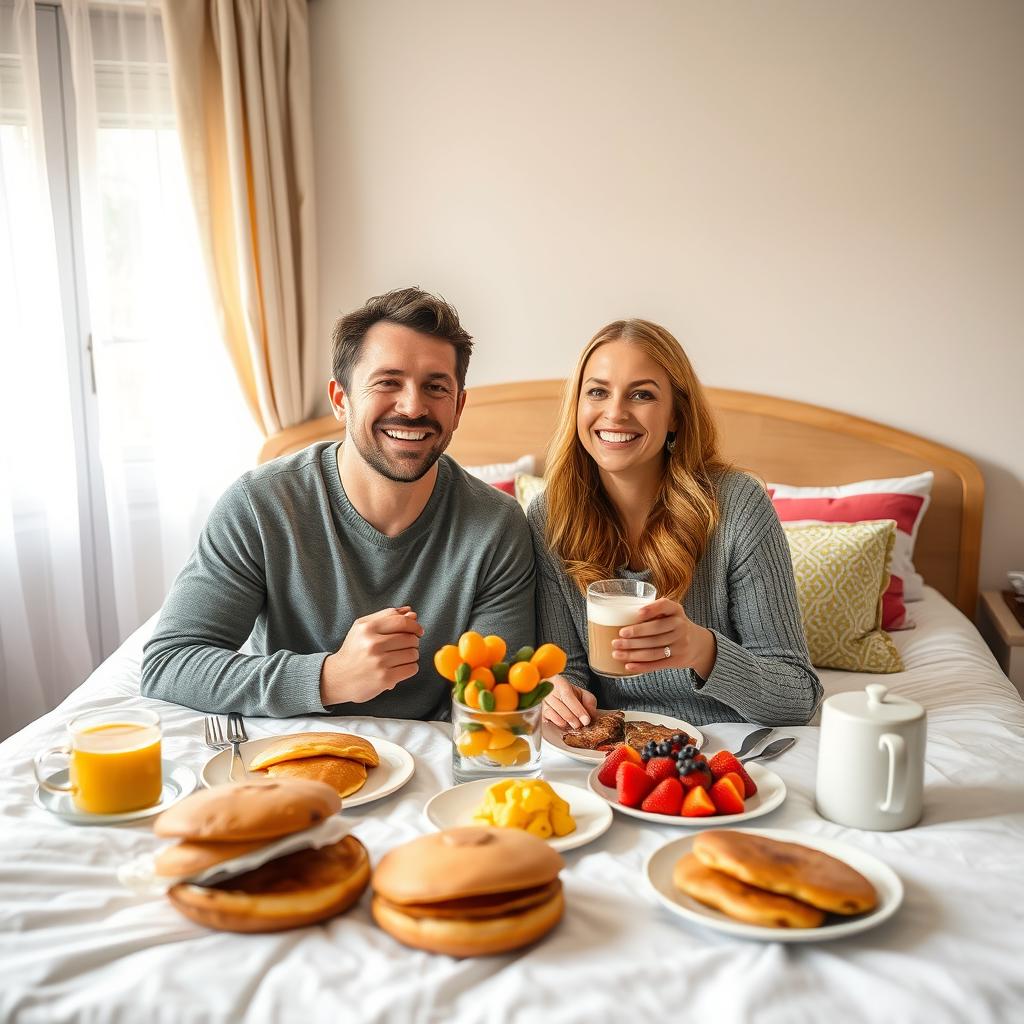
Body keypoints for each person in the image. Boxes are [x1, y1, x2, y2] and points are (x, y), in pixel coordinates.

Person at [141, 287, 535, 719]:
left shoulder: (497, 524)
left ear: (458, 407)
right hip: (286, 760)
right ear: (340, 400)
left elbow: (496, 698)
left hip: (436, 768)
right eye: (388, 382)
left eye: (435, 387)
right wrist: (330, 677)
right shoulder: (260, 505)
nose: (412, 406)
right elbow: (169, 664)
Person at [532, 319, 821, 729]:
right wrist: (562, 693)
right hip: (617, 752)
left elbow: (798, 698)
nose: (615, 413)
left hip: (730, 750)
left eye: (642, 394)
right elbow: (572, 670)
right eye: (597, 391)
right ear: (577, 407)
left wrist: (703, 650)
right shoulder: (550, 517)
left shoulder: (737, 507)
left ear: (676, 417)